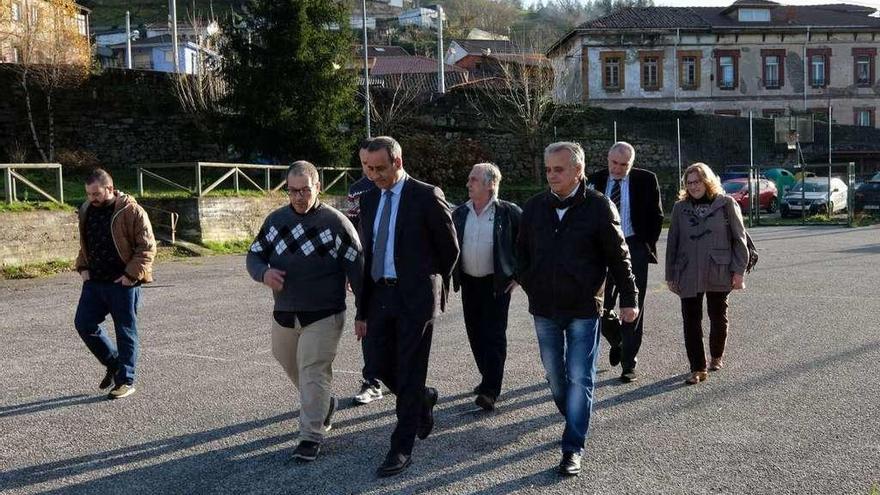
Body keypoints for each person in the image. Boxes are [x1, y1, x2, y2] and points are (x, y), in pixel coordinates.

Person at [517, 142, 639, 476]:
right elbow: (520, 254)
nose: (552, 175)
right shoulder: (534, 208)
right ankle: (574, 415)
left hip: (585, 308)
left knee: (581, 378)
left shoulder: (599, 208)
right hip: (544, 308)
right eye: (548, 170)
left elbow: (619, 257)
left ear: (578, 171)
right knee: (557, 377)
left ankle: (573, 447)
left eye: (559, 169)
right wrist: (531, 282)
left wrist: (630, 298)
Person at [355, 136, 459, 477]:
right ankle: (422, 398)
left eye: (380, 168)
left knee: (410, 367)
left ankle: (401, 448)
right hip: (378, 295)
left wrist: (431, 285)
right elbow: (367, 251)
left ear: (397, 162)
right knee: (376, 364)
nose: (373, 175)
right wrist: (361, 307)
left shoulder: (426, 196)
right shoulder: (368, 198)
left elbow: (450, 248)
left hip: (414, 298)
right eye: (368, 168)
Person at [246, 161, 364, 462]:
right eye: (293, 191)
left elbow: (357, 265)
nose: (299, 196)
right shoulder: (275, 221)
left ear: (318, 187)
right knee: (289, 361)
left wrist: (363, 311)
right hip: (285, 312)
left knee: (313, 370)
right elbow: (255, 254)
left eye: (305, 190)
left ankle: (310, 436)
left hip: (324, 313)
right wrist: (263, 274)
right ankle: (323, 403)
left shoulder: (335, 223)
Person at [74, 168, 156, 400]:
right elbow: (85, 243)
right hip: (94, 282)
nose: (92, 198)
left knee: (125, 332)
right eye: (89, 194)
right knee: (84, 323)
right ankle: (114, 364)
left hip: (124, 283)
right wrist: (83, 268)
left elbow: (147, 248)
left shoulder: (132, 211)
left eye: (96, 193)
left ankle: (126, 381)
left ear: (110, 188)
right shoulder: (87, 209)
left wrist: (131, 276)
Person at [665, 162, 748, 385]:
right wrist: (670, 275)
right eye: (689, 183)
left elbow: (740, 241)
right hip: (687, 270)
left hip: (718, 268)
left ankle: (716, 356)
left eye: (697, 181)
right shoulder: (680, 208)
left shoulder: (726, 204)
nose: (693, 186)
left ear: (707, 181)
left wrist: (738, 271)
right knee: (690, 320)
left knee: (718, 316)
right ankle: (697, 368)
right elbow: (672, 242)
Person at [588, 142, 663, 383]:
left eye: (624, 164)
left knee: (632, 306)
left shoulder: (646, 179)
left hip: (634, 247)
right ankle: (618, 340)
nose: (618, 169)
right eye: (614, 163)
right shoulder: (595, 180)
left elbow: (657, 215)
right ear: (607, 159)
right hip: (601, 251)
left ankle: (629, 363)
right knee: (597, 306)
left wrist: (644, 245)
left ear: (631, 163)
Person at [451, 163, 521, 411]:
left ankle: (491, 390)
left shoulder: (508, 212)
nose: (468, 184)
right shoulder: (460, 213)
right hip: (469, 282)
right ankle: (487, 376)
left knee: (494, 335)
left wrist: (518, 275)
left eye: (474, 180)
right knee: (475, 333)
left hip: (496, 283)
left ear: (491, 184)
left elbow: (528, 244)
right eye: (469, 179)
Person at [346, 138, 384, 405]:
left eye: (373, 163)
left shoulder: (398, 186)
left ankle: (393, 376)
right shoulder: (357, 190)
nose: (369, 169)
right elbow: (350, 229)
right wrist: (350, 271)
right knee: (367, 323)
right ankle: (372, 381)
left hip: (395, 270)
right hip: (365, 267)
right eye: (363, 163)